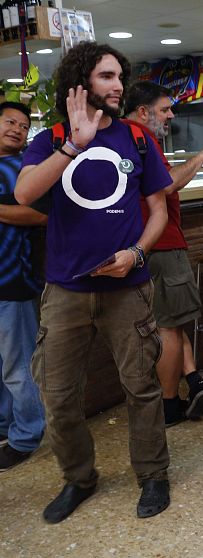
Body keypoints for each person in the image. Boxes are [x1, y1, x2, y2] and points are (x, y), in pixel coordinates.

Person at [15, 42, 172, 523]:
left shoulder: (138, 138)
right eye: (107, 76)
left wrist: (137, 252)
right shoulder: (51, 140)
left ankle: (153, 475)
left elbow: (160, 210)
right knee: (57, 394)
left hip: (129, 287)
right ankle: (78, 478)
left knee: (141, 387)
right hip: (65, 291)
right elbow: (24, 193)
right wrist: (73, 146)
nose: (119, 85)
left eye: (120, 76)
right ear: (81, 83)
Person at [124, 80, 203, 426]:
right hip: (161, 244)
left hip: (139, 245)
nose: (171, 115)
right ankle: (169, 405)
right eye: (164, 109)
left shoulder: (121, 137)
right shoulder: (141, 138)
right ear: (143, 111)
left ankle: (193, 378)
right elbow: (167, 183)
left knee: (165, 320)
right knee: (168, 327)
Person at [0, 101, 47, 472]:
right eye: (9, 122)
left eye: (22, 124)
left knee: (18, 365)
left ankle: (26, 435)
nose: (16, 128)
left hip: (15, 281)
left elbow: (41, 213)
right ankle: (7, 425)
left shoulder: (23, 168)